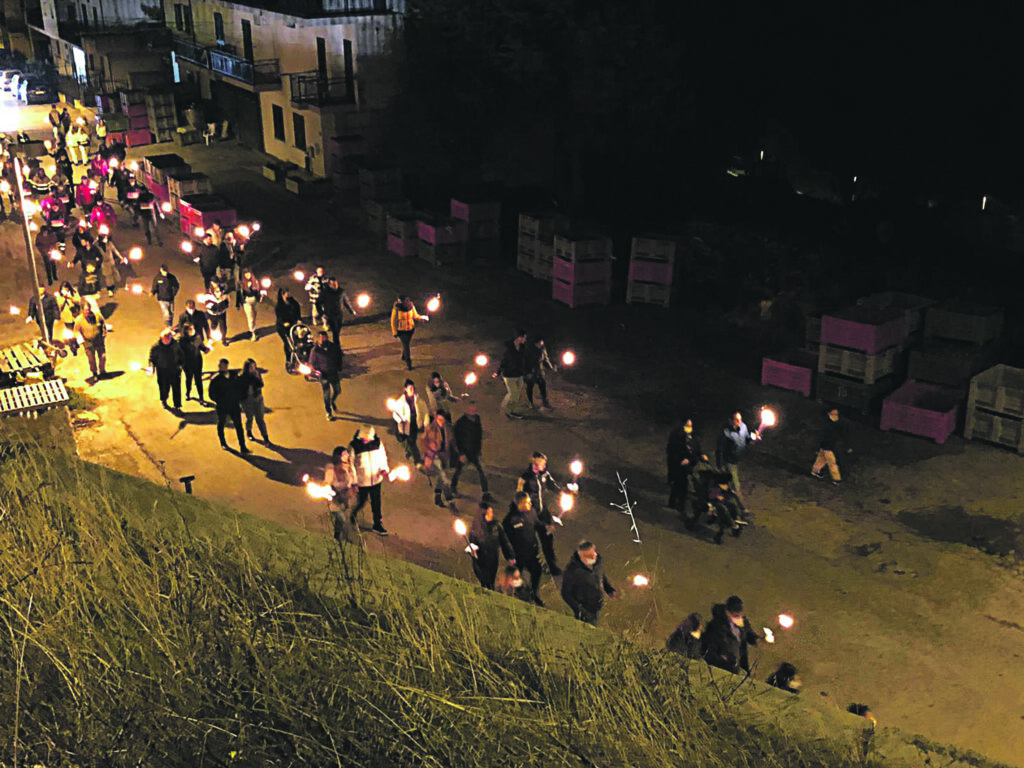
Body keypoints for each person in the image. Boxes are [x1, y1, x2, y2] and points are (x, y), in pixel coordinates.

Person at [516, 452, 563, 576]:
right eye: (542, 463)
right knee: (531, 542)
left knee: (547, 539)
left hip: (543, 511)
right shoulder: (525, 477)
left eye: (544, 463)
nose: (544, 465)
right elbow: (519, 495)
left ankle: (552, 565)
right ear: (535, 463)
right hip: (530, 513)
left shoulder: (545, 475)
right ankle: (531, 563)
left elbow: (553, 486)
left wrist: (564, 492)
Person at [501, 492, 545, 606]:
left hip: (531, 552)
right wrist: (509, 557)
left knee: (537, 571)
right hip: (518, 556)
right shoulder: (509, 521)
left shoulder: (532, 512)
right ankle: (518, 595)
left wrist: (547, 527)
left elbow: (537, 525)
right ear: (520, 504)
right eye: (527, 502)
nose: (530, 503)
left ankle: (534, 594)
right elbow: (504, 541)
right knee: (516, 577)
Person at [560, 540, 617, 625]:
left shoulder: (597, 564)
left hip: (597, 606)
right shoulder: (572, 571)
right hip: (583, 609)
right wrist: (579, 610)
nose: (592, 557)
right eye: (588, 556)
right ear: (580, 556)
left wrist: (609, 590)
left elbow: (601, 576)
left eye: (593, 554)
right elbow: (565, 593)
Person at [701, 595, 760, 674]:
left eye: (739, 609)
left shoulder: (742, 624)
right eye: (735, 609)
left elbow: (747, 636)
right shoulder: (717, 625)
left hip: (736, 666)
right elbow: (712, 646)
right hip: (720, 667)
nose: (737, 613)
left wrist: (755, 638)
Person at [349, 425, 390, 535]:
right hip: (362, 482)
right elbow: (351, 466)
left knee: (376, 502)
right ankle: (353, 513)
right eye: (363, 438)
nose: (365, 440)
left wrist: (384, 469)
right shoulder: (354, 447)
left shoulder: (378, 444)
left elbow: (382, 457)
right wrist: (354, 482)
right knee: (362, 501)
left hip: (376, 479)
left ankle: (377, 524)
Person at [716, 412, 760, 511]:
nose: (739, 422)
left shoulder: (743, 427)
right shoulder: (726, 433)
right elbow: (720, 450)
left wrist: (753, 437)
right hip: (729, 462)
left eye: (740, 419)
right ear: (730, 421)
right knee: (736, 486)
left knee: (727, 484)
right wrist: (720, 465)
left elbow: (746, 439)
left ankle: (721, 501)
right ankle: (742, 508)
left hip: (737, 460)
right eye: (736, 420)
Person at [468, 501, 515, 590]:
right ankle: (486, 591)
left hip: (493, 559)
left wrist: (510, 556)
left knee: (491, 579)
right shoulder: (476, 528)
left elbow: (504, 541)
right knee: (484, 580)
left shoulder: (496, 526)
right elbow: (471, 543)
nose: (492, 514)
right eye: (490, 512)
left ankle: (490, 590)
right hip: (480, 560)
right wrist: (472, 553)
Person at [667, 417, 708, 515]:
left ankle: (674, 502)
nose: (689, 428)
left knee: (680, 484)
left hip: (689, 464)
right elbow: (673, 451)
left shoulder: (693, 438)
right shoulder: (677, 437)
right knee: (681, 484)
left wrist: (701, 455)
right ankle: (679, 504)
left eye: (690, 426)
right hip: (679, 464)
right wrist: (681, 460)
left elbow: (696, 448)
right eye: (687, 426)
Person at [208, 358, 249, 454]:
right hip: (222, 406)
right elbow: (211, 394)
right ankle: (223, 442)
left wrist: (240, 397)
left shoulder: (234, 375)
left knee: (238, 425)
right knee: (221, 423)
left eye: (225, 366)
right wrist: (219, 401)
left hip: (234, 405)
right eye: (221, 366)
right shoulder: (216, 380)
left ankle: (242, 446)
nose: (223, 367)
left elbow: (240, 387)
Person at [451, 403, 490, 498]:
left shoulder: (477, 419)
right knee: (458, 470)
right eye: (471, 409)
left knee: (483, 471)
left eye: (475, 409)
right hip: (465, 452)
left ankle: (485, 493)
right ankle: (453, 487)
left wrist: (479, 449)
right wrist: (460, 453)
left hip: (475, 452)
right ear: (467, 409)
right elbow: (456, 439)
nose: (473, 411)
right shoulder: (461, 422)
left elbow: (479, 434)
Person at [391, 378, 428, 466]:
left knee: (412, 440)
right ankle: (417, 459)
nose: (412, 390)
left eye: (413, 388)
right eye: (410, 388)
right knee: (410, 441)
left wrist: (426, 423)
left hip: (415, 423)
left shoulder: (418, 400)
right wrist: (400, 420)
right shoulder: (401, 401)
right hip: (406, 424)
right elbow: (395, 413)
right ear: (405, 389)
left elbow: (425, 411)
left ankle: (411, 453)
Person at [422, 411, 456, 508]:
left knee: (441, 477)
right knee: (444, 478)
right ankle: (449, 499)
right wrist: (427, 456)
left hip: (444, 455)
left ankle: (437, 495)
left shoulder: (448, 428)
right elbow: (422, 440)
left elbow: (451, 440)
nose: (440, 421)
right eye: (438, 419)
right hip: (434, 456)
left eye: (442, 419)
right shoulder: (431, 428)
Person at [309, 331, 343, 421]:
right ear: (318, 339)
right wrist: (315, 371)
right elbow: (312, 363)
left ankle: (333, 401)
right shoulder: (315, 351)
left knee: (338, 390)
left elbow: (339, 356)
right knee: (326, 395)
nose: (324, 340)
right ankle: (329, 412)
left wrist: (339, 367)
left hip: (333, 373)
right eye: (321, 338)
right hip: (324, 376)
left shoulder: (333, 347)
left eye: (325, 338)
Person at [325, 445, 358, 538]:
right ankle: (341, 538)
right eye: (344, 455)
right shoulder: (331, 469)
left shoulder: (349, 467)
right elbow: (328, 484)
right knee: (342, 520)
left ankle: (339, 536)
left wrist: (354, 485)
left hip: (346, 497)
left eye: (346, 455)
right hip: (335, 499)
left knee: (342, 519)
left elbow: (353, 478)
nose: (346, 457)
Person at [390, 294, 429, 370]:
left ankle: (404, 356)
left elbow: (415, 316)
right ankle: (408, 362)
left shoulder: (411, 306)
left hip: (410, 329)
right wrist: (394, 332)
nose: (407, 301)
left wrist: (422, 319)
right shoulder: (397, 308)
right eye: (406, 300)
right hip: (401, 331)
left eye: (408, 300)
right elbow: (393, 321)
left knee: (406, 344)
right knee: (406, 345)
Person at [496, 330, 529, 420]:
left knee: (516, 395)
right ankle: (506, 410)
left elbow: (524, 360)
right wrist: (498, 372)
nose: (525, 339)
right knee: (513, 394)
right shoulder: (508, 349)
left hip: (519, 374)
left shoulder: (522, 347)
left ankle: (509, 410)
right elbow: (503, 361)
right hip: (509, 374)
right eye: (524, 337)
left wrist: (525, 371)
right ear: (519, 337)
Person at [148, 328, 184, 410]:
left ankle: (177, 405)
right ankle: (164, 399)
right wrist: (151, 368)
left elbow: (181, 355)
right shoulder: (156, 347)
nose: (168, 340)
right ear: (162, 338)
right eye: (166, 338)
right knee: (163, 387)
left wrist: (181, 364)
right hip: (162, 371)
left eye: (169, 337)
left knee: (176, 388)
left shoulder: (176, 344)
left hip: (174, 370)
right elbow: (152, 359)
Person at [317, 277, 357, 348]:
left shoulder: (341, 292)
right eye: (333, 284)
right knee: (335, 333)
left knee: (337, 331)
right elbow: (318, 303)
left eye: (336, 284)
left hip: (339, 315)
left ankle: (334, 346)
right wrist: (322, 314)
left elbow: (346, 302)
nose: (335, 286)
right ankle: (337, 348)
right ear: (329, 285)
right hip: (330, 315)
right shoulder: (325, 293)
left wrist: (352, 311)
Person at [811, 407, 847, 486]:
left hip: (827, 446)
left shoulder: (831, 424)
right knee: (832, 462)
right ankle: (836, 479)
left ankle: (815, 471)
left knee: (821, 459)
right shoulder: (829, 424)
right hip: (828, 446)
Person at [239, 358, 270, 444]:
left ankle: (266, 438)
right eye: (251, 367)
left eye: (254, 366)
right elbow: (239, 390)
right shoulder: (242, 377)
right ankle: (249, 432)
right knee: (249, 418)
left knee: (260, 419)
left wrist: (257, 377)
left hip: (258, 399)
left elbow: (261, 385)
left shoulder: (256, 374)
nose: (253, 369)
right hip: (247, 401)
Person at [73, 302, 107, 382]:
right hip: (88, 343)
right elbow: (76, 331)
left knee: (103, 356)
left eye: (88, 310)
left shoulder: (97, 316)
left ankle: (102, 371)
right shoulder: (79, 320)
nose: (87, 312)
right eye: (86, 310)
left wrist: (104, 333)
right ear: (82, 310)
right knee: (91, 360)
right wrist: (80, 339)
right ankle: (94, 373)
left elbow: (103, 325)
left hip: (99, 341)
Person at [524, 336, 556, 410]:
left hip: (539, 372)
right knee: (530, 387)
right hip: (531, 372)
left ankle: (545, 402)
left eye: (542, 342)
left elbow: (545, 360)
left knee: (542, 386)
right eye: (540, 342)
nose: (542, 343)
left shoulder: (542, 349)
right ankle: (530, 403)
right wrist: (527, 372)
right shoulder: (529, 350)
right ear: (536, 343)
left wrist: (551, 367)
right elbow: (525, 362)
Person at [274, 288, 302, 369]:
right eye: (286, 293)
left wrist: (299, 319)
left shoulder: (292, 302)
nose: (288, 295)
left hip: (293, 324)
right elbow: (279, 316)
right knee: (287, 343)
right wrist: (284, 322)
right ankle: (288, 359)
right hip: (283, 327)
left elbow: (297, 309)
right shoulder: (279, 305)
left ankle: (298, 356)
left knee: (296, 340)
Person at [179, 323, 206, 404]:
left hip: (197, 360)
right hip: (187, 363)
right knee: (189, 378)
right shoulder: (182, 340)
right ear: (186, 331)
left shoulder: (197, 337)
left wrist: (205, 349)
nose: (193, 330)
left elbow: (200, 346)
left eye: (193, 328)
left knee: (198, 379)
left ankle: (201, 397)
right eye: (190, 329)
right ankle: (188, 393)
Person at [55, 281, 82, 354]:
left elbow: (78, 301)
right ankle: (73, 345)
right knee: (70, 331)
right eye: (63, 289)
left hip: (75, 315)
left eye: (66, 289)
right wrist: (64, 299)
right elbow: (59, 307)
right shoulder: (59, 296)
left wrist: (70, 298)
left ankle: (75, 341)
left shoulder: (74, 293)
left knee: (76, 329)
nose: (64, 291)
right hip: (66, 317)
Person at [236, 270, 262, 342]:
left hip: (255, 301)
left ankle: (252, 329)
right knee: (250, 317)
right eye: (246, 274)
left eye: (249, 274)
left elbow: (259, 291)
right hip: (247, 302)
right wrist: (238, 304)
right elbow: (239, 294)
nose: (248, 275)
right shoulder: (241, 284)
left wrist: (260, 296)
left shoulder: (255, 282)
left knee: (254, 316)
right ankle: (253, 334)